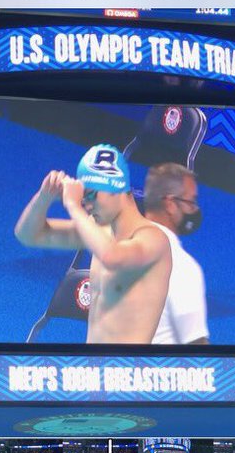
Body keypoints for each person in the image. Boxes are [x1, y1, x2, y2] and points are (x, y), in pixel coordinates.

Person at [15, 144, 172, 344]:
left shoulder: (154, 241)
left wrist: (73, 205)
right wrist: (44, 197)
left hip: (130, 368)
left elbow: (112, 257)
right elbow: (28, 235)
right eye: (83, 197)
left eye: (90, 195)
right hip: (94, 364)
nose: (87, 205)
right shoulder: (100, 228)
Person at [141, 162, 210, 345]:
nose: (194, 210)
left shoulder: (117, 246)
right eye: (191, 202)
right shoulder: (182, 267)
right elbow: (198, 351)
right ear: (170, 204)